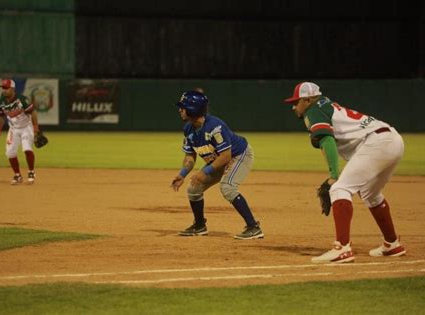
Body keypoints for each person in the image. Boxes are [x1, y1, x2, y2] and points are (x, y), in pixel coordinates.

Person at [283, 82, 406, 263]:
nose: (294, 107)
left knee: (339, 188)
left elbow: (327, 141)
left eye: (297, 102)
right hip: (393, 139)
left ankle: (342, 248)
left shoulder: (313, 111)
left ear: (307, 100)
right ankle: (392, 244)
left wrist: (334, 176)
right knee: (370, 193)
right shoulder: (325, 105)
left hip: (377, 142)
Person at [171, 90, 264, 239]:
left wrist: (204, 171)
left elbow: (226, 156)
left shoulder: (215, 126)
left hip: (239, 154)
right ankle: (199, 226)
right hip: (219, 159)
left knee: (227, 187)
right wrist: (182, 174)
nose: (180, 110)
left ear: (193, 109)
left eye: (183, 106)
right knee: (193, 188)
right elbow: (190, 156)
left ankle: (253, 227)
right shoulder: (188, 129)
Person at [0, 79, 40, 185]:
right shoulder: (2, 102)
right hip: (13, 129)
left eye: (6, 88)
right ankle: (17, 175)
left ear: (12, 89)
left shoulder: (22, 99)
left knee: (27, 149)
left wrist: (36, 128)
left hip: (26, 127)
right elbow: (1, 116)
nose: (4, 90)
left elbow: (33, 113)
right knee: (10, 153)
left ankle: (31, 172)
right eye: (3, 88)